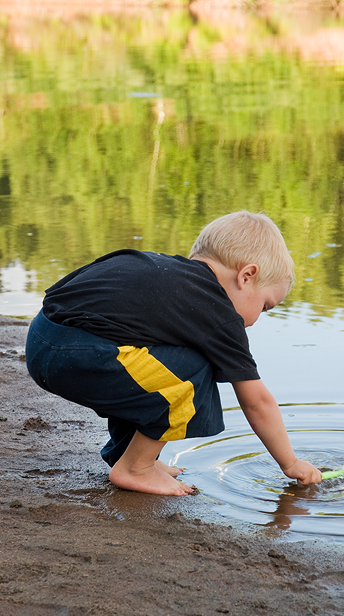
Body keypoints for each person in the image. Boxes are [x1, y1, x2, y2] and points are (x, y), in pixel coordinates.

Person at [25, 210, 322, 496]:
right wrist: (290, 463)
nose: (256, 319)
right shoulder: (217, 310)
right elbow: (256, 402)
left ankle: (128, 455)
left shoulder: (163, 271)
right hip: (76, 356)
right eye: (265, 306)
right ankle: (135, 468)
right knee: (193, 372)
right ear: (246, 276)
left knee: (159, 364)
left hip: (41, 339)